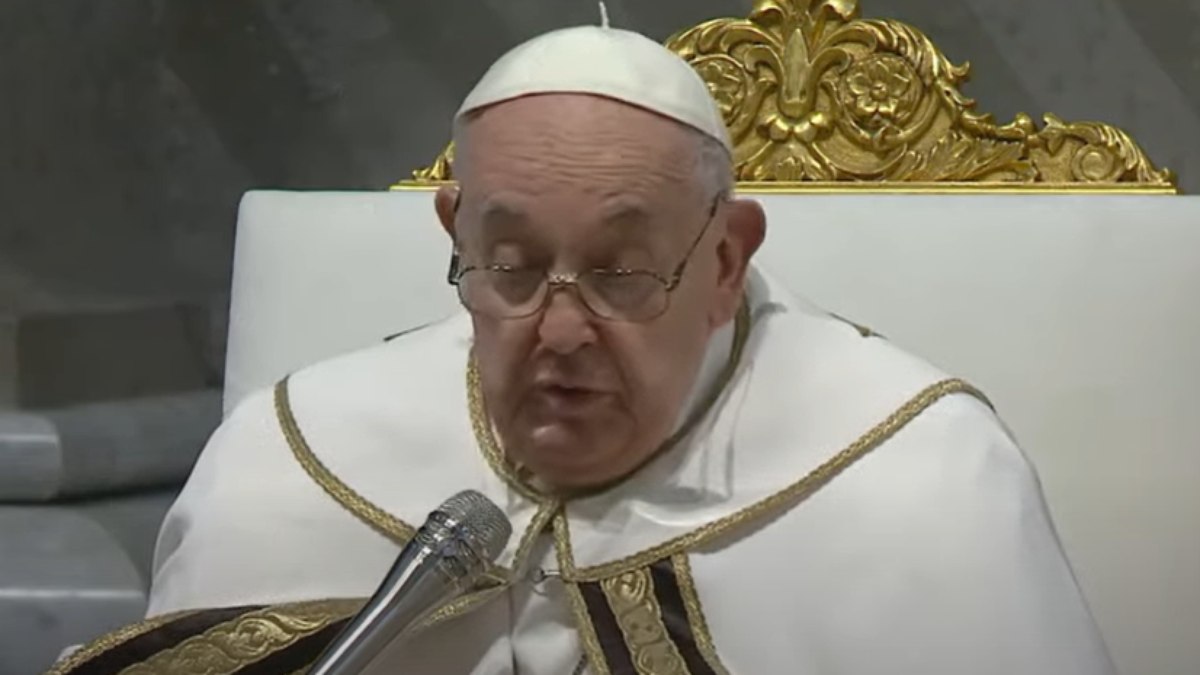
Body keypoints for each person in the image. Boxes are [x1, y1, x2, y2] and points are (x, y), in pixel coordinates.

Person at [50, 21, 1115, 675]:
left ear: (728, 260)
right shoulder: (290, 460)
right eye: (511, 267)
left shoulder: (921, 483)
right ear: (454, 236)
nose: (560, 334)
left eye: (620, 273)